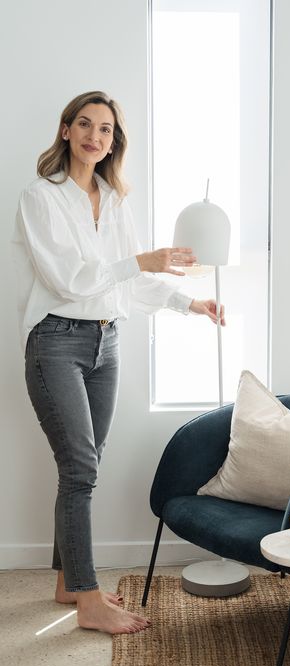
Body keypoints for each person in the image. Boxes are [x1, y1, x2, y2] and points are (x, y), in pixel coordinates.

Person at [12, 90, 225, 635]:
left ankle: (68, 581)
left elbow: (132, 284)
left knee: (82, 466)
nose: (94, 136)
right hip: (55, 341)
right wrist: (138, 261)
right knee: (81, 467)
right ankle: (88, 600)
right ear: (65, 131)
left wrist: (190, 303)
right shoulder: (42, 197)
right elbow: (69, 280)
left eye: (105, 129)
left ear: (114, 142)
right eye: (84, 124)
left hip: (106, 343)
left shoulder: (115, 199)